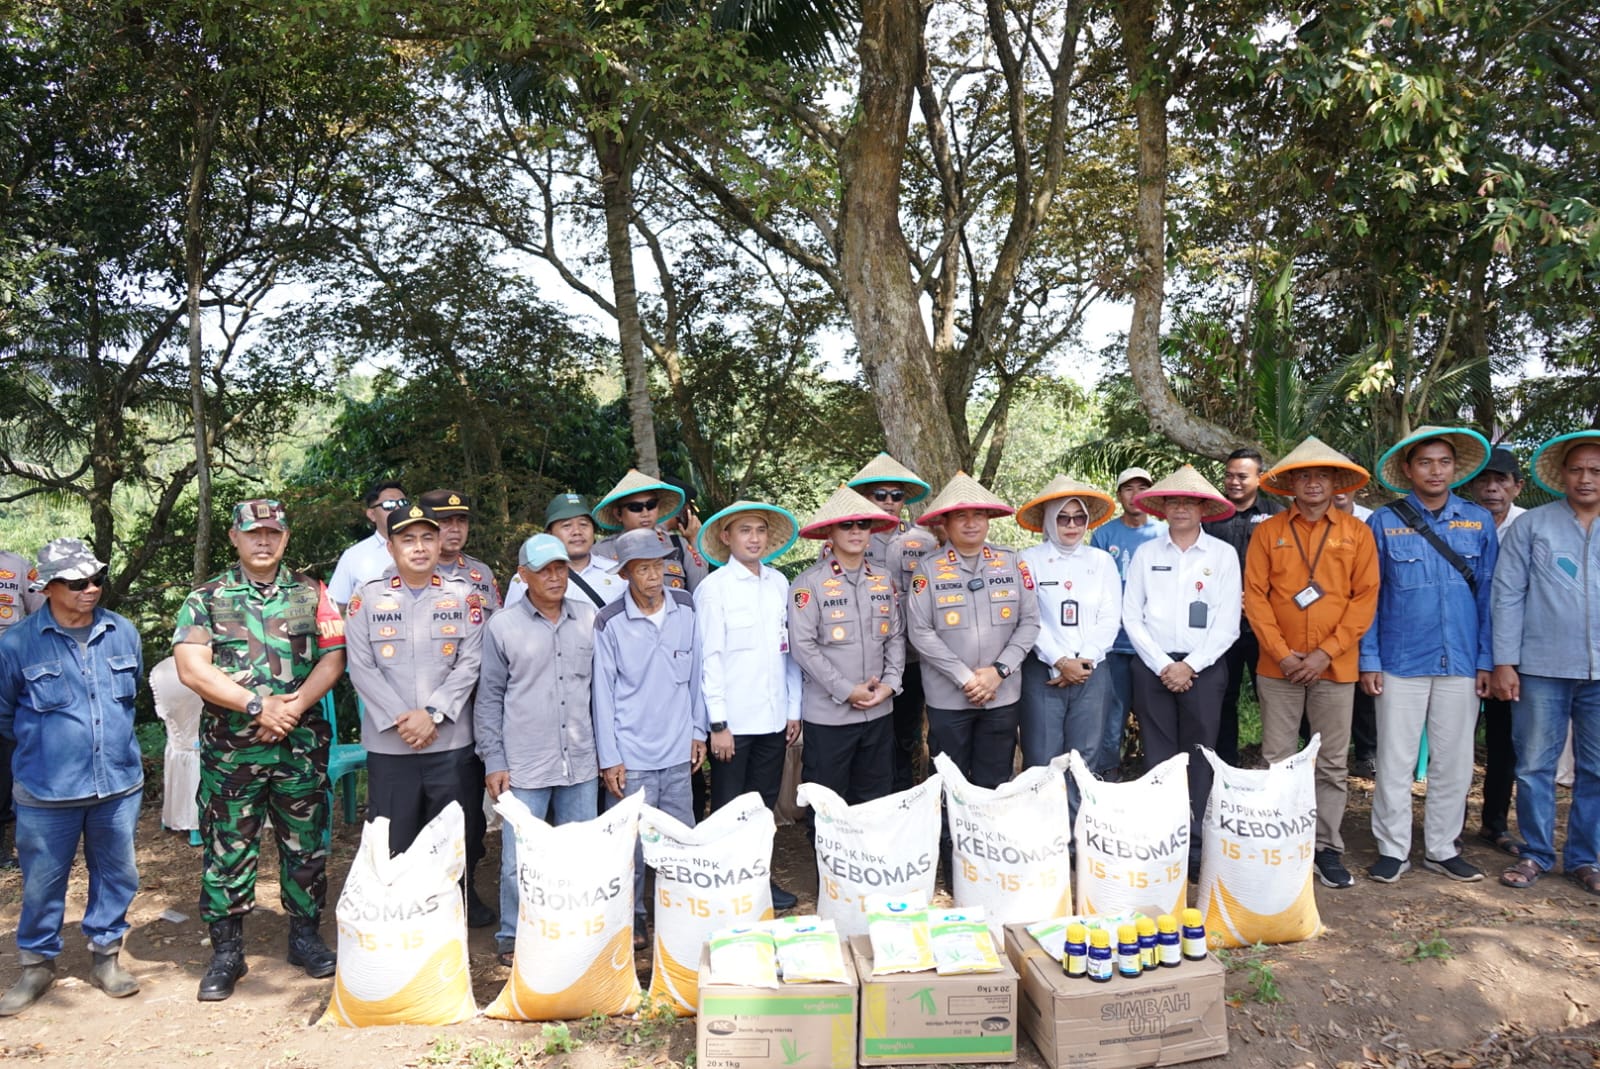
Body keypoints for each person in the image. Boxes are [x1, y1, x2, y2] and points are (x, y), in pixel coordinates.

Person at [171, 499, 346, 1000]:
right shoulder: (206, 599)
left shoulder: (314, 594)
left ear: (285, 537)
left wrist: (290, 710)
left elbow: (334, 657)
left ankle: (305, 937)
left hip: (300, 747)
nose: (263, 541)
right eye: (253, 533)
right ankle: (227, 952)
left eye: (273, 532)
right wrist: (256, 707)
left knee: (306, 846)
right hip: (233, 753)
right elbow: (191, 667)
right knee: (228, 850)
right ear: (235, 538)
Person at [0, 540, 142, 1015]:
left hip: (117, 785)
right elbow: (5, 715)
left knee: (117, 875)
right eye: (78, 582)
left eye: (97, 579)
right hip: (46, 790)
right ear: (47, 587)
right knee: (42, 884)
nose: (91, 589)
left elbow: (130, 701)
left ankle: (106, 956)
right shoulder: (16, 644)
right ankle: (37, 965)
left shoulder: (122, 632)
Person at [1360, 426, 1495, 884]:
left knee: (1454, 762)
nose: (1435, 471)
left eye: (1443, 462)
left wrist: (1486, 660)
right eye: (1425, 462)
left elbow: (1490, 598)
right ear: (1408, 469)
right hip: (1400, 660)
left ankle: (1442, 848)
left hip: (1461, 661)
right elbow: (1371, 596)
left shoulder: (1478, 521)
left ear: (1455, 468)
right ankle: (1392, 849)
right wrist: (1369, 659)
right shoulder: (1384, 522)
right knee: (1394, 761)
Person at [1243, 440, 1380, 889]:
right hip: (1277, 667)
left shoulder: (1357, 533)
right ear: (1291, 484)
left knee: (1332, 763)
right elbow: (1255, 598)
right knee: (1278, 759)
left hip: (1335, 667)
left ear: (1337, 482)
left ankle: (1326, 848)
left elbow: (1364, 599)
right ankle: (1280, 843)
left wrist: (1325, 653)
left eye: (1322, 475)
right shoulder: (1268, 532)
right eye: (1304, 475)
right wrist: (1283, 653)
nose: (1314, 483)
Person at [344, 500, 490, 917]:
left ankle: (458, 906)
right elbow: (361, 667)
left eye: (428, 537)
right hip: (392, 745)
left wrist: (434, 713)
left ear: (440, 542)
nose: (420, 547)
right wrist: (404, 719)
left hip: (450, 741)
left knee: (457, 834)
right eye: (408, 539)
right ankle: (399, 916)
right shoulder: (367, 597)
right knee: (395, 838)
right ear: (391, 548)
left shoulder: (463, 595)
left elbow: (471, 662)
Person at [475, 534, 599, 966]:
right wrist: (494, 760)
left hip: (580, 761)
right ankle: (513, 934)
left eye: (560, 568)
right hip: (524, 763)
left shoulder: (589, 619)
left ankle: (576, 931)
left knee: (579, 855)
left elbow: (602, 692)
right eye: (544, 570)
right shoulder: (502, 626)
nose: (555, 577)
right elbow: (489, 698)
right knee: (519, 860)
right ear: (523, 575)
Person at [1492, 431, 1600, 896]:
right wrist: (1505, 661)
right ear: (1562, 475)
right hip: (1541, 667)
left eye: (1595, 471)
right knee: (1534, 765)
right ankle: (1536, 852)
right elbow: (1507, 595)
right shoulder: (1533, 526)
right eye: (1577, 470)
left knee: (1597, 769)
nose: (1585, 479)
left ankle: (1585, 859)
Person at [592, 528, 708, 948]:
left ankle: (680, 911)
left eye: (658, 566)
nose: (654, 576)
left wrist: (698, 731)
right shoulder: (609, 621)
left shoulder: (685, 606)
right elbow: (602, 695)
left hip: (678, 751)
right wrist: (610, 757)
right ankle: (633, 918)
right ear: (625, 574)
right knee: (632, 847)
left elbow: (696, 676)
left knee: (680, 838)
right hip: (632, 754)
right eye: (643, 569)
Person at [1122, 466, 1240, 873]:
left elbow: (1228, 623)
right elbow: (1131, 616)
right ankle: (1163, 840)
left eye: (1189, 502)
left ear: (1203, 509)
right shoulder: (1147, 554)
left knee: (1201, 754)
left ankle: (1197, 844)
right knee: (1158, 756)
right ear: (1163, 508)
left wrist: (1189, 666)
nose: (1181, 509)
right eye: (1173, 501)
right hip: (1153, 668)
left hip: (1203, 669)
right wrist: (1163, 665)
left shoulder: (1222, 555)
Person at [695, 500, 802, 909]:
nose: (754, 538)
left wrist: (793, 709)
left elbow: (788, 651)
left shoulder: (778, 583)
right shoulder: (714, 589)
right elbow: (710, 660)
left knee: (762, 807)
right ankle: (724, 886)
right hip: (733, 725)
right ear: (726, 537)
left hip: (773, 719)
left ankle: (759, 880)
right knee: (729, 808)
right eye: (745, 530)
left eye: (760, 530)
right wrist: (718, 723)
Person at [905, 473, 1041, 789]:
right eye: (961, 516)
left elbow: (1030, 621)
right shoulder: (928, 569)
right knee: (947, 784)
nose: (971, 523)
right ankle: (947, 825)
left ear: (988, 519)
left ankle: (988, 825)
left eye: (978, 514)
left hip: (1002, 694)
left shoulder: (1011, 562)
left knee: (995, 782)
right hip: (948, 698)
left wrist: (999, 671)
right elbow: (920, 631)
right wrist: (966, 678)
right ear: (945, 523)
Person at [788, 485, 904, 807]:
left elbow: (895, 635)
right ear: (830, 531)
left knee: (876, 802)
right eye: (846, 525)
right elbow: (803, 646)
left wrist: (891, 684)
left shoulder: (883, 578)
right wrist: (846, 690)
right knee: (827, 805)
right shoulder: (808, 583)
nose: (855, 531)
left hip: (879, 711)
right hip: (830, 717)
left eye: (863, 524)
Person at [1015, 476, 1121, 773]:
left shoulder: (1101, 561)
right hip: (1043, 671)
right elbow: (1030, 617)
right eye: (1062, 518)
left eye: (1078, 518)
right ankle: (1044, 806)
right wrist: (1060, 661)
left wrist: (1083, 662)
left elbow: (1110, 616)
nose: (1071, 525)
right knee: (1041, 756)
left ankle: (1078, 806)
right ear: (1049, 520)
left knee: (1084, 758)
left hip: (1092, 670)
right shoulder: (1028, 560)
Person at [849, 454, 937, 791]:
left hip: (912, 655)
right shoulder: (848, 537)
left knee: (906, 733)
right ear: (866, 498)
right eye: (880, 495)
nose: (889, 501)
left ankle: (903, 797)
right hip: (865, 656)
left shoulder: (925, 541)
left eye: (896, 495)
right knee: (868, 734)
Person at [1465, 447, 1528, 857]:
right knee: (1455, 740)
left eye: (1501, 480)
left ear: (1516, 486)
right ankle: (1448, 824)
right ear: (1472, 485)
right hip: (1465, 646)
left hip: (1512, 654)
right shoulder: (1460, 522)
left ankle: (1494, 824)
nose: (1492, 488)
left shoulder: (1529, 526)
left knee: (1506, 742)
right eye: (1484, 480)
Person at [1091, 467, 1167, 778]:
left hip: (1154, 641)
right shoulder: (1104, 535)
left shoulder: (1164, 533)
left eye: (1142, 488)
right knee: (1113, 713)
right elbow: (1093, 586)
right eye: (1128, 488)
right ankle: (1108, 771)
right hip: (1114, 643)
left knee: (1156, 713)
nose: (1135, 495)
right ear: (1119, 494)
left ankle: (1158, 773)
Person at [1211, 447, 1284, 766]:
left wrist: (1257, 601)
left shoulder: (1277, 514)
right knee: (1221, 696)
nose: (1234, 482)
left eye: (1242, 476)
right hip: (1219, 625)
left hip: (1264, 627)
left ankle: (1277, 763)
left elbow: (1287, 568)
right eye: (1229, 476)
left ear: (1260, 478)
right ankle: (1225, 764)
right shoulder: (1211, 514)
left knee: (1273, 696)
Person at [592, 469, 708, 591]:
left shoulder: (678, 545)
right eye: (635, 507)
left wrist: (695, 542)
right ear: (618, 514)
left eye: (651, 505)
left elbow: (700, 590)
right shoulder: (601, 552)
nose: (645, 513)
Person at [0, 547, 42, 871]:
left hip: (10, 674)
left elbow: (42, 612)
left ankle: (6, 846)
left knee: (8, 756)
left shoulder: (17, 565)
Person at [327, 479, 408, 610]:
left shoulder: (426, 548)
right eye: (389, 505)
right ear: (372, 514)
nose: (398, 509)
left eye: (403, 503)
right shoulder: (353, 556)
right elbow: (335, 607)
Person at [420, 489, 502, 613]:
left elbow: (496, 620)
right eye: (445, 521)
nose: (456, 529)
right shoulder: (408, 572)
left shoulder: (482, 572)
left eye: (461, 521)